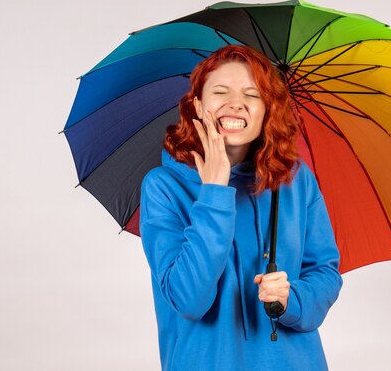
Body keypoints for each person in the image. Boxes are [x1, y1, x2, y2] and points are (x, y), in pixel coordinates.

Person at [140, 45, 343, 370]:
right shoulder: (163, 186)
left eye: (252, 94)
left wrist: (294, 297)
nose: (236, 103)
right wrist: (214, 193)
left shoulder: (294, 179)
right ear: (198, 104)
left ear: (267, 110)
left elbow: (325, 272)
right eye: (221, 91)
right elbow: (188, 299)